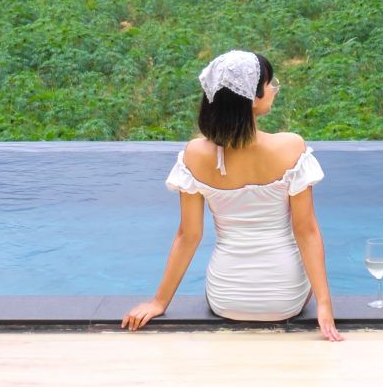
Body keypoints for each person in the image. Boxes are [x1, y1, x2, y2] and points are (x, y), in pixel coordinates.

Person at [122, 49, 343, 340]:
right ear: (252, 98)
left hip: (226, 297)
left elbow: (188, 236)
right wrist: (324, 305)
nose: (274, 89)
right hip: (285, 298)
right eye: (269, 84)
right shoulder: (290, 147)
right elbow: (307, 231)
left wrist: (159, 302)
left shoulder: (195, 154)